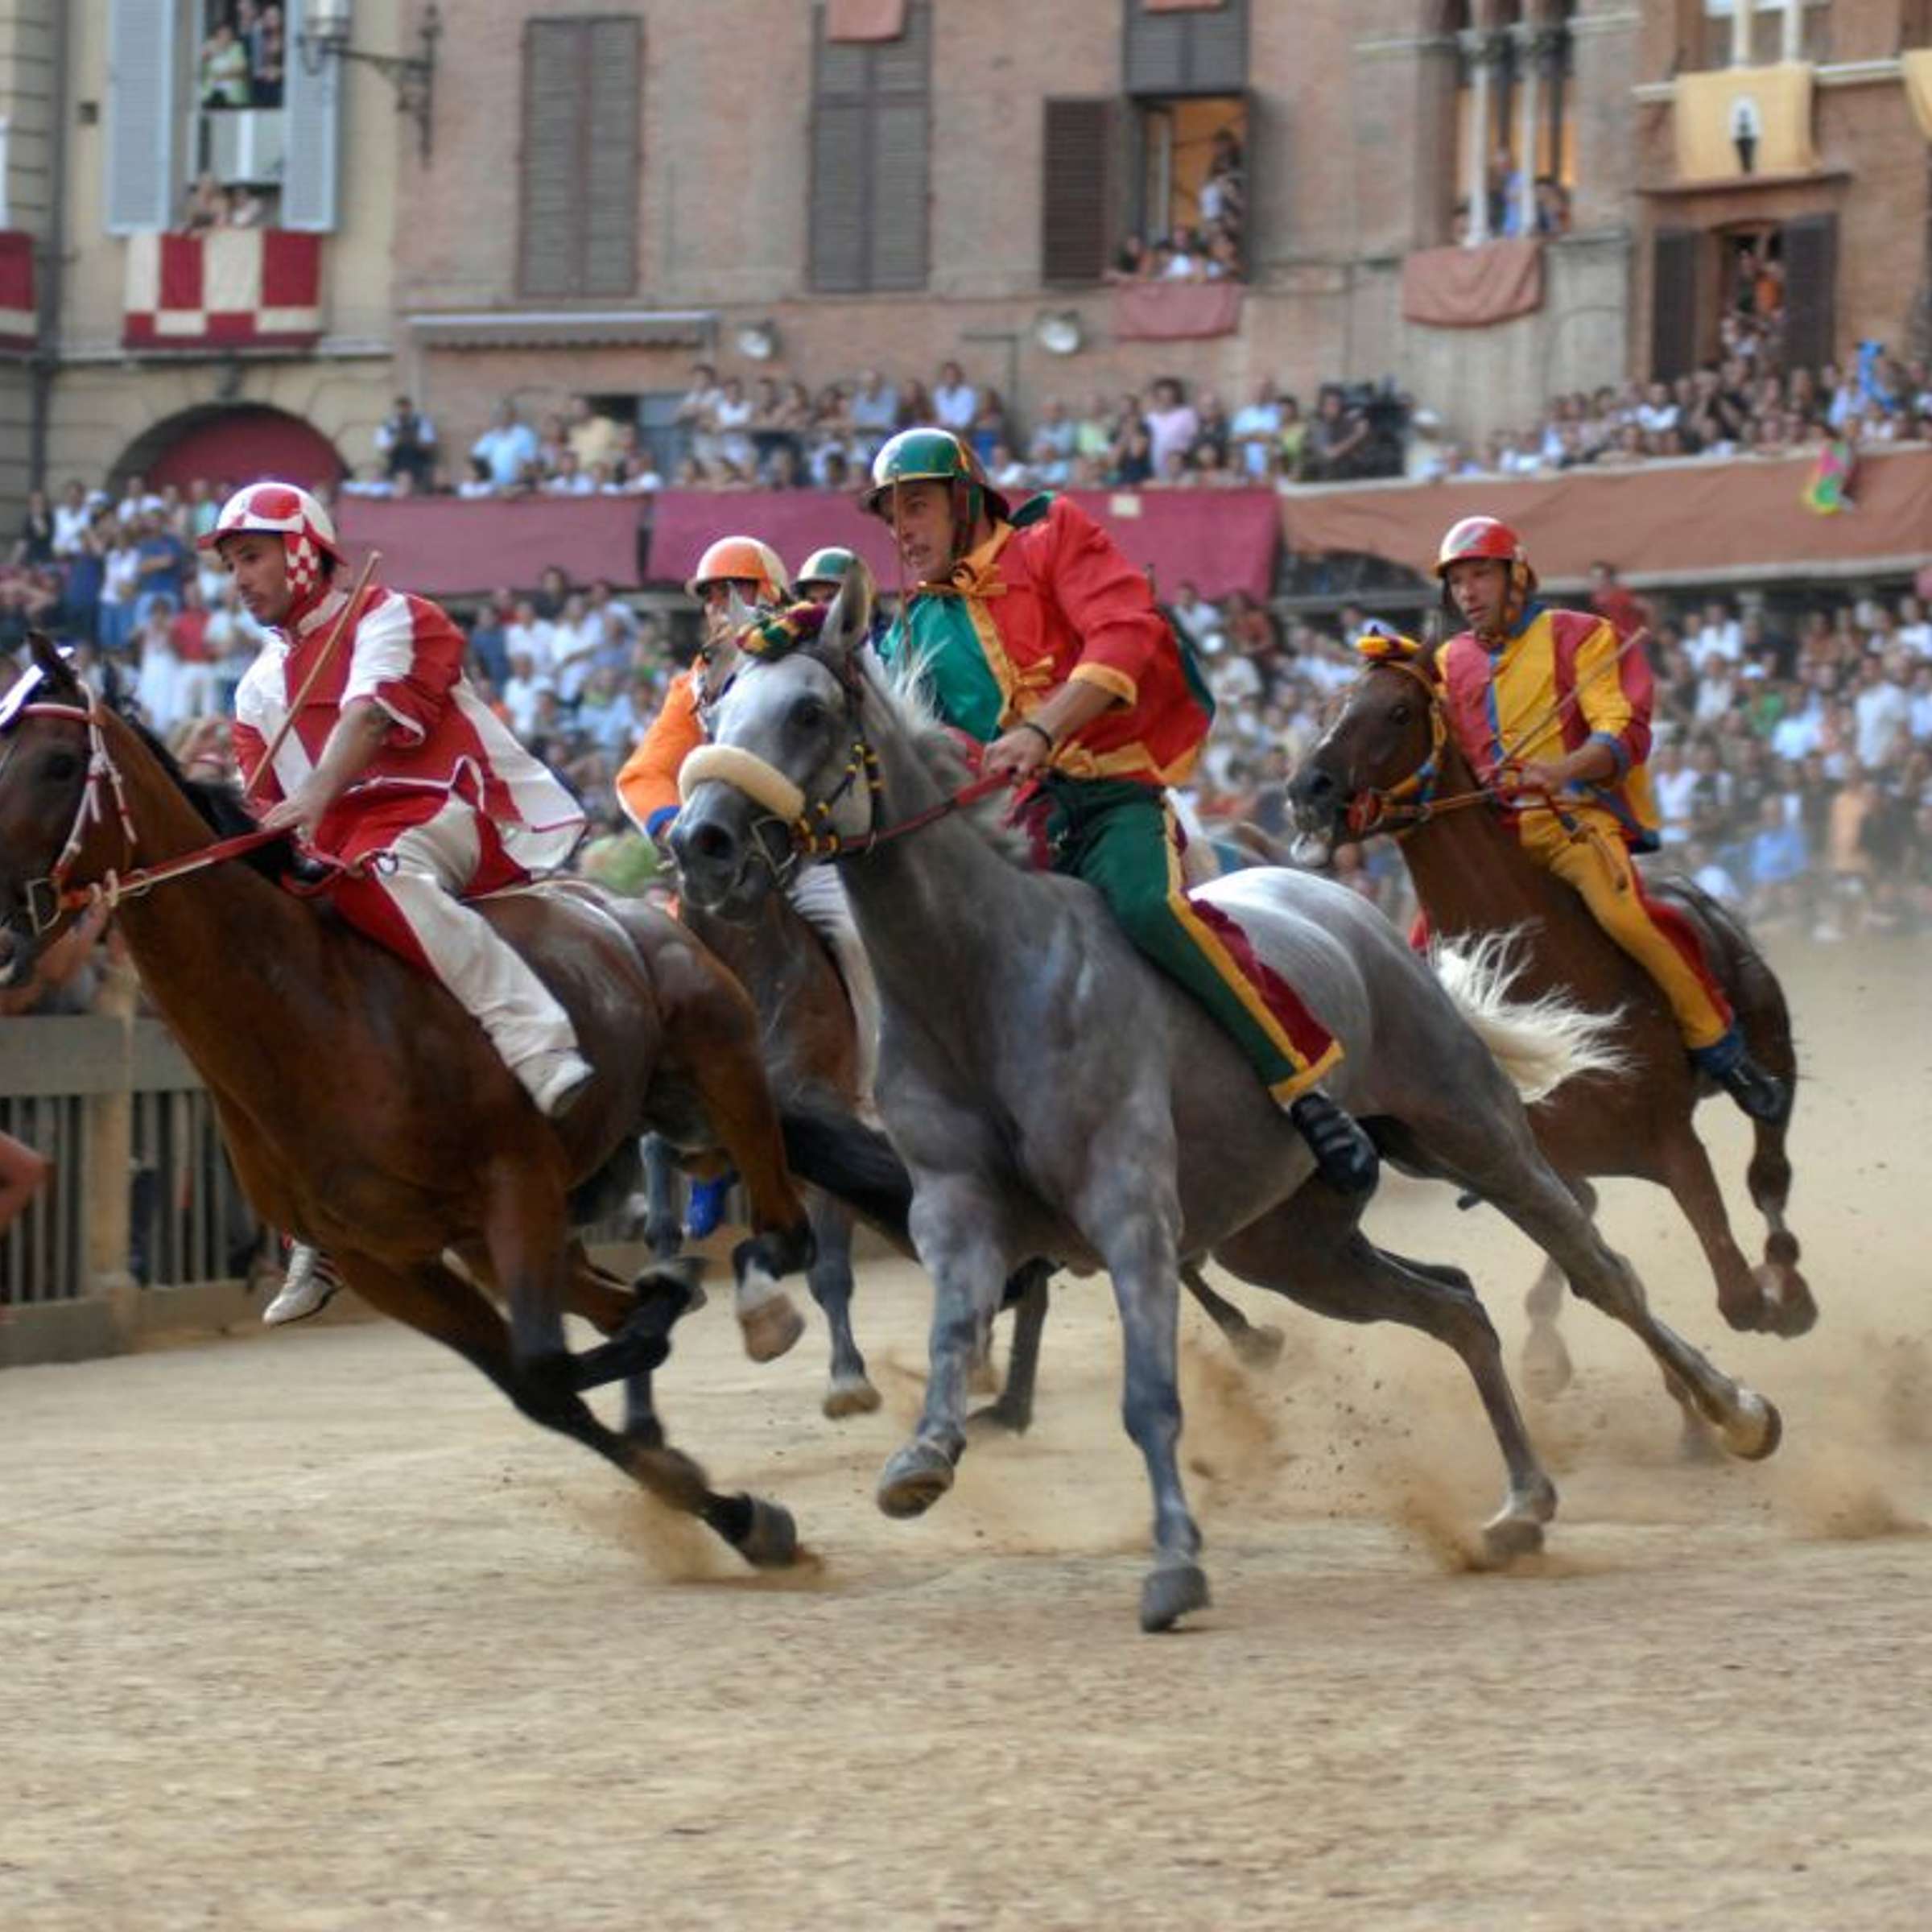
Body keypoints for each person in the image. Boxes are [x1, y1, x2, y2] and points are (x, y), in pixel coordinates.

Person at [862, 427, 1378, 1194]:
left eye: (917, 507)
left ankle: (1301, 1086)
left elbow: (1124, 634)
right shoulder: (910, 630)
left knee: (1147, 908)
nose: (902, 531)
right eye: (891, 516)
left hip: (1110, 794)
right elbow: (924, 748)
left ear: (966, 500)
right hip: (1016, 828)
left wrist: (1043, 730)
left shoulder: (1050, 536)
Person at [210, 481, 594, 1126]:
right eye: (229, 566)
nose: (238, 581)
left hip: (446, 810)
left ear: (303, 553)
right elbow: (263, 808)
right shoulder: (254, 689)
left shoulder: (392, 615)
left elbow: (368, 718)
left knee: (375, 875)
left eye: (251, 557)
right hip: (338, 847)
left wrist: (313, 795)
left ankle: (537, 1039)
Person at [1431, 514, 1788, 1121]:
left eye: (1481, 575)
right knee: (1424, 951)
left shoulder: (1583, 635)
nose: (1467, 592)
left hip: (1570, 821)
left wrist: (1562, 769)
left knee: (1628, 918)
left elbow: (1621, 730)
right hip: (1492, 842)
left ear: (1517, 576)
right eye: (1457, 581)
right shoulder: (1448, 659)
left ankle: (1721, 1049)